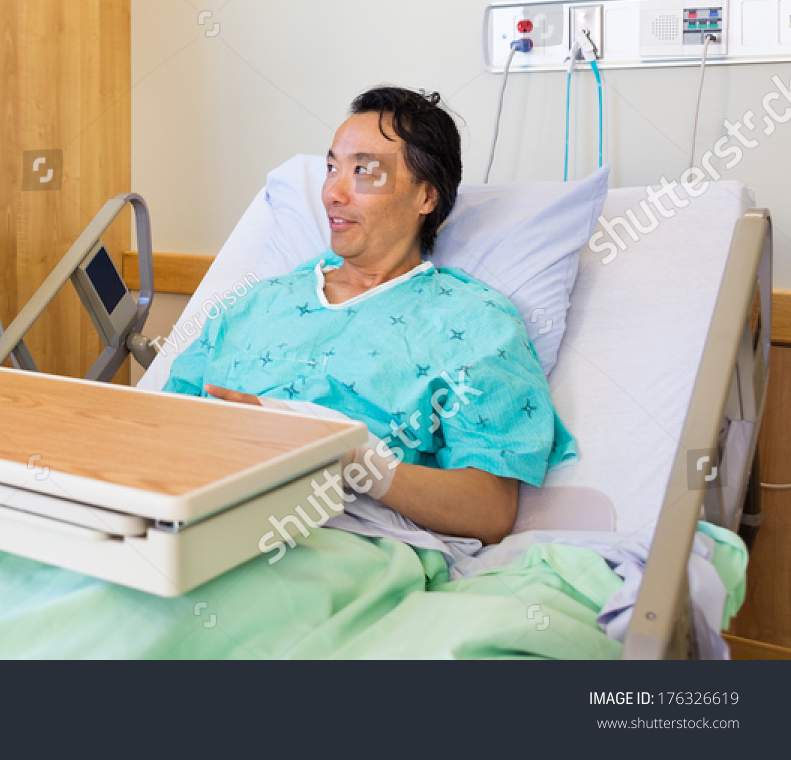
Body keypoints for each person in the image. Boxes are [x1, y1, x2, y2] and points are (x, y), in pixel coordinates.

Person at [164, 86, 576, 545]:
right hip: (189, 521)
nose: (332, 194)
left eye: (363, 171)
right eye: (331, 168)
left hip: (343, 542)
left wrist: (356, 461)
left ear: (426, 197)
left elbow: (490, 510)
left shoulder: (475, 324)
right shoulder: (255, 304)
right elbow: (161, 427)